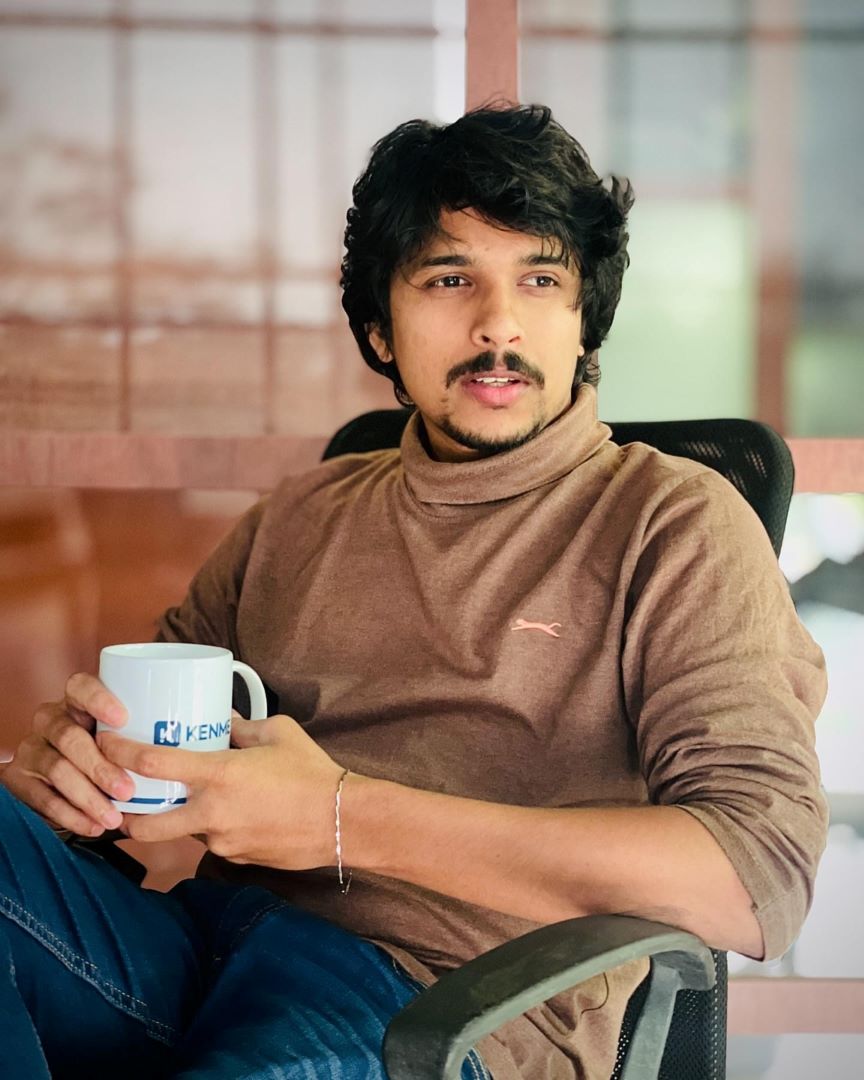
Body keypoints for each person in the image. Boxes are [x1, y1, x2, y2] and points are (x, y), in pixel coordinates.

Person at [0, 105, 827, 1079]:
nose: (498, 323)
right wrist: (74, 781)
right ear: (379, 329)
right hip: (201, 942)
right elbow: (150, 778)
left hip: (441, 999)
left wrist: (341, 816)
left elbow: (753, 880)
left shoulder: (673, 524)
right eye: (449, 278)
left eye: (541, 280)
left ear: (582, 323)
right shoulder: (299, 517)